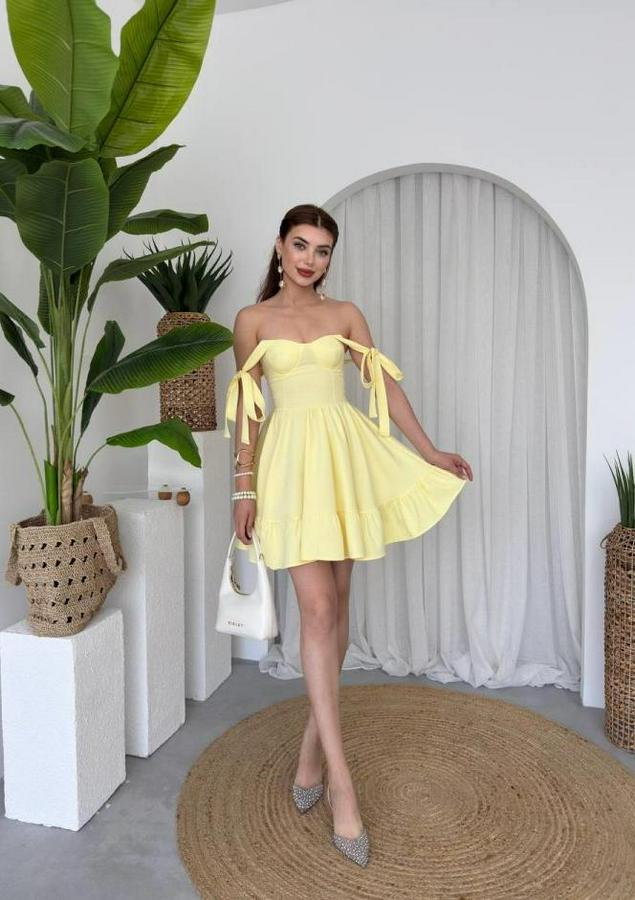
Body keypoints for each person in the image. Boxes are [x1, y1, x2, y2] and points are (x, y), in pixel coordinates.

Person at [224, 203, 473, 867]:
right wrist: (243, 488)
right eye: (301, 244)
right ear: (279, 246)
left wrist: (428, 451)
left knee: (336, 609)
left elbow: (382, 384)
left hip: (343, 460)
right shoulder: (251, 321)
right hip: (288, 468)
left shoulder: (346, 315)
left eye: (323, 249)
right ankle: (342, 782)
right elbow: (248, 413)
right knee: (317, 611)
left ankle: (310, 751)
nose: (310, 258)